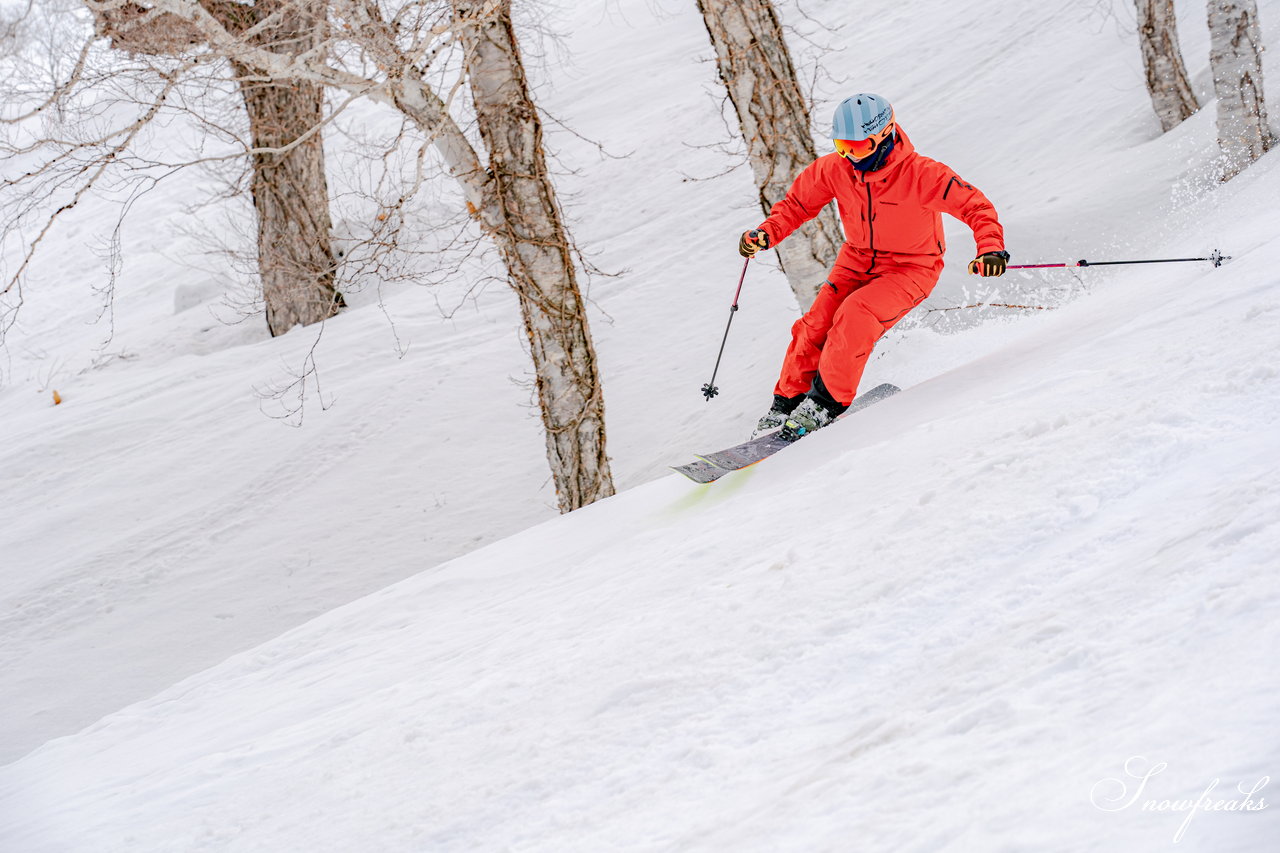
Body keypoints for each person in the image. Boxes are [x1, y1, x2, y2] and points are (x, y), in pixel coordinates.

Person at [741, 93, 1009, 440]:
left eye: (859, 146)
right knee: (816, 323)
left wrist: (990, 248)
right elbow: (796, 205)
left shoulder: (922, 174)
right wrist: (766, 233)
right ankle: (786, 404)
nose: (850, 156)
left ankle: (824, 403)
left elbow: (976, 206)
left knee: (856, 313)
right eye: (842, 146)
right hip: (855, 261)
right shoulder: (835, 169)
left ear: (884, 135)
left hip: (911, 268)